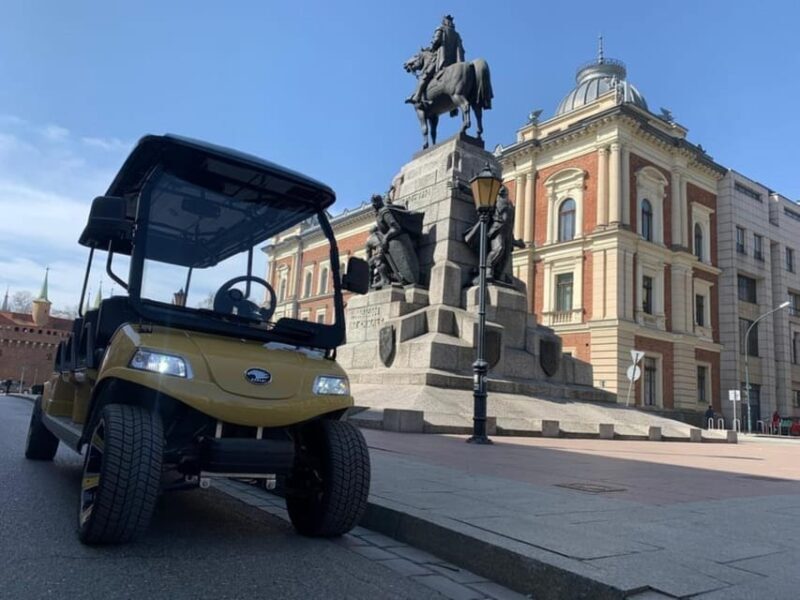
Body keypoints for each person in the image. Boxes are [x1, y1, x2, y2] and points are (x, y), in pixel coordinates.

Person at [406, 15, 465, 106]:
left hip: (441, 60)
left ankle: (417, 96)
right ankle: (454, 109)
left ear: (444, 21)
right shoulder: (456, 35)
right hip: (453, 62)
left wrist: (431, 47)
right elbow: (461, 50)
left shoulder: (441, 29)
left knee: (424, 76)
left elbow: (436, 41)